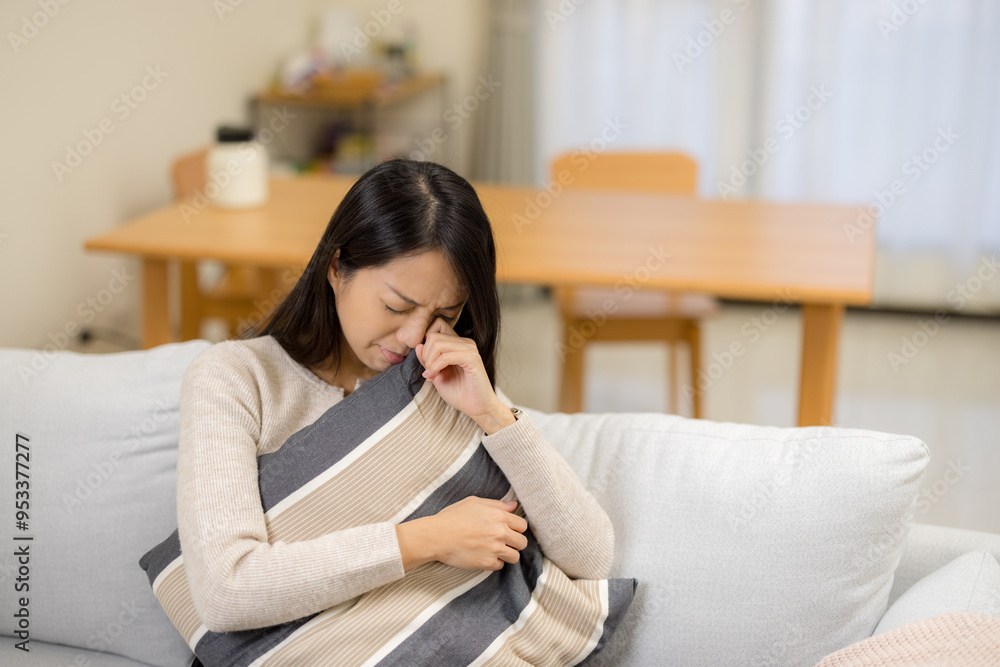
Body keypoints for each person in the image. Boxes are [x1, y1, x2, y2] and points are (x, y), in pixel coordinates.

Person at [175, 158, 614, 637]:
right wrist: (427, 540)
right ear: (336, 267)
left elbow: (590, 556)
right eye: (395, 306)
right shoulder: (236, 379)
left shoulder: (439, 377)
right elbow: (226, 592)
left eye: (445, 312)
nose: (413, 335)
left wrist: (492, 413)